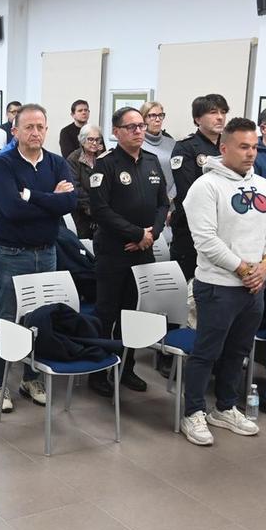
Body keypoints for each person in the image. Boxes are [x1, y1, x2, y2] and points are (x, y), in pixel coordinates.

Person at [178, 117, 266, 446]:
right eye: (243, 147)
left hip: (254, 287)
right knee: (206, 352)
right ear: (224, 148)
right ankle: (193, 412)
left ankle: (224, 408)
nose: (251, 153)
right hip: (218, 286)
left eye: (254, 147)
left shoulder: (261, 184)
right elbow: (206, 240)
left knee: (238, 352)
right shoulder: (205, 186)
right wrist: (244, 269)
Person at [0, 104, 77, 412]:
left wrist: (33, 197)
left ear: (46, 130)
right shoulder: (3, 164)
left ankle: (31, 379)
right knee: (8, 319)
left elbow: (70, 203)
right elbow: (12, 209)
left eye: (40, 127)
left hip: (47, 252)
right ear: (15, 131)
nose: (35, 132)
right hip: (12, 253)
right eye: (28, 127)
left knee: (40, 319)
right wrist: (52, 200)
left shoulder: (56, 162)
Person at [87, 107, 167, 397]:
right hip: (114, 251)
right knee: (106, 313)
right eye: (131, 127)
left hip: (143, 251)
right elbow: (100, 209)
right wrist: (136, 234)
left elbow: (163, 204)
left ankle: (126, 368)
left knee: (133, 313)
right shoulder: (105, 165)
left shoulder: (152, 161)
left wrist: (151, 235)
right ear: (116, 131)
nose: (138, 131)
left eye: (141, 126)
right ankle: (98, 371)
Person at [170, 94, 228, 280]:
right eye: (213, 112)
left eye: (223, 112)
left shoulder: (229, 146)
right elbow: (188, 193)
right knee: (190, 285)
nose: (220, 117)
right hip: (192, 229)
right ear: (197, 119)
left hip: (225, 227)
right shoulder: (185, 147)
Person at [65, 122, 105, 239]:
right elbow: (75, 188)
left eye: (97, 139)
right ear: (82, 140)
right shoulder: (73, 159)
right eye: (90, 139)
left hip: (103, 211)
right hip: (82, 212)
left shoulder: (103, 157)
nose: (94, 143)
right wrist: (93, 208)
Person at [140, 102, 174, 201]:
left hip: (171, 201)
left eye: (160, 115)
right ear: (143, 119)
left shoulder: (172, 144)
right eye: (153, 116)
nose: (158, 119)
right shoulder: (137, 144)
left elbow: (179, 175)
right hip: (144, 201)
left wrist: (170, 197)